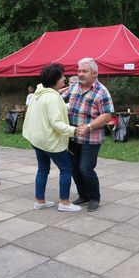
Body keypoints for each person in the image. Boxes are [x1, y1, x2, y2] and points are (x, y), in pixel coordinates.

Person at [23, 64, 88, 212]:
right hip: (49, 141)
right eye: (62, 77)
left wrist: (69, 106)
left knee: (43, 169)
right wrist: (75, 130)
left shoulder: (39, 93)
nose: (64, 79)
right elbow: (56, 122)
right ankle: (64, 203)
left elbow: (52, 110)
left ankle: (40, 200)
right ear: (55, 80)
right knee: (66, 169)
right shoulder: (51, 97)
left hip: (37, 139)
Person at [66, 58, 114, 212]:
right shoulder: (74, 87)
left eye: (84, 71)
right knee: (74, 168)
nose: (80, 74)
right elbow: (59, 100)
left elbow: (106, 116)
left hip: (91, 138)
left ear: (95, 73)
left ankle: (94, 197)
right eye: (79, 71)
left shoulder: (101, 92)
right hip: (73, 136)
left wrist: (89, 126)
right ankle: (83, 195)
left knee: (85, 168)